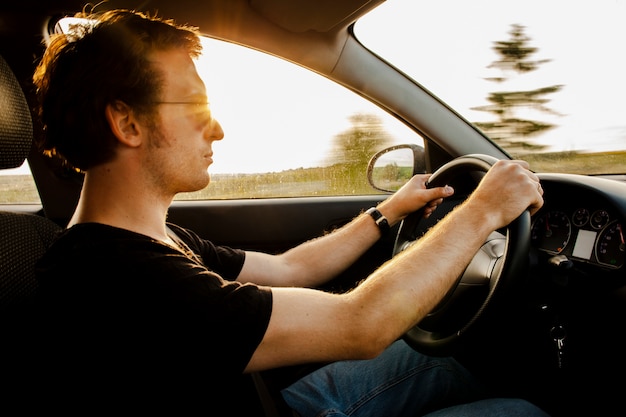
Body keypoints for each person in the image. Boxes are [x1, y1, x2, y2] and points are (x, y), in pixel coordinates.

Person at [31, 8, 547, 416]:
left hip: (276, 405)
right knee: (523, 410)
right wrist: (480, 212)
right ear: (127, 122)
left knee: (461, 357)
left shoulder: (142, 241)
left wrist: (387, 211)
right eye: (192, 107)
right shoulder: (119, 280)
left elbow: (289, 269)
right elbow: (361, 325)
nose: (216, 129)